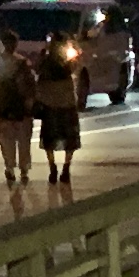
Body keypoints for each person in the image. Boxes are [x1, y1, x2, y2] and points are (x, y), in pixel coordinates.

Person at [28, 39, 88, 188]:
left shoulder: (45, 66)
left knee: (49, 140)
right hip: (67, 106)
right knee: (70, 139)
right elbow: (79, 61)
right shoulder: (67, 66)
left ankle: (52, 168)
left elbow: (36, 74)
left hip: (50, 107)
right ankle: (66, 168)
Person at [0, 42, 38, 187]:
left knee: (6, 139)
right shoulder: (22, 63)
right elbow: (30, 85)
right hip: (21, 107)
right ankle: (24, 169)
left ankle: (9, 167)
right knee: (23, 139)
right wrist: (30, 102)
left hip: (4, 107)